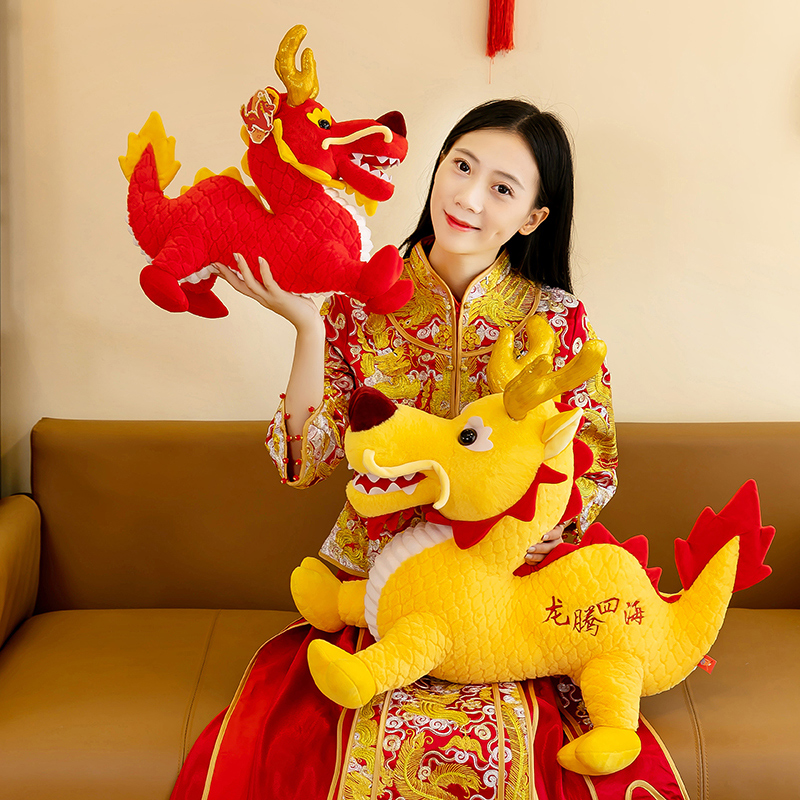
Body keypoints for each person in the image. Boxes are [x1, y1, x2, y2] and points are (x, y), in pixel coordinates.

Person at [171, 100, 687, 800]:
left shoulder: (556, 320)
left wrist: (524, 524)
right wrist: (307, 327)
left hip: (509, 597)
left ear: (533, 216)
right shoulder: (355, 302)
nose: (469, 197)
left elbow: (594, 466)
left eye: (502, 187)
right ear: (439, 166)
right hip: (378, 587)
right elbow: (304, 461)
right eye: (461, 166)